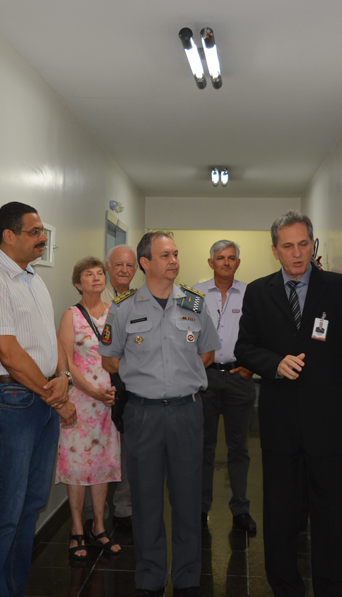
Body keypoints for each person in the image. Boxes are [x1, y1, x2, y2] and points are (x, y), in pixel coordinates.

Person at [235, 211, 342, 597]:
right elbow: (245, 348)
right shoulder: (258, 292)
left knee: (331, 518)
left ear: (313, 244)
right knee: (281, 516)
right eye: (288, 246)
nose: (297, 253)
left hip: (328, 424)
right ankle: (285, 586)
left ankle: (332, 589)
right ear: (275, 250)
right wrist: (274, 364)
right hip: (280, 425)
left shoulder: (339, 288)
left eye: (303, 244)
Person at [100, 231, 221, 597]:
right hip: (143, 414)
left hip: (187, 412)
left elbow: (207, 352)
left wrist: (180, 375)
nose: (174, 261)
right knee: (146, 499)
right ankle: (150, 576)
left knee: (188, 498)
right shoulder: (123, 307)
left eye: (176, 254)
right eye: (165, 255)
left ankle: (187, 577)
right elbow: (110, 359)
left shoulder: (195, 304)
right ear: (146, 263)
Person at [0, 202, 76, 597]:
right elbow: (9, 354)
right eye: (34, 232)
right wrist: (57, 399)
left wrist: (64, 376)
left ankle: (14, 587)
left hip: (41, 398)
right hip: (13, 401)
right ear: (8, 236)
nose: (42, 238)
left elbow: (52, 340)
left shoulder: (33, 278)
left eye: (42, 231)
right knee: (4, 509)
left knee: (31, 504)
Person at [56, 256, 122, 559]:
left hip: (107, 402)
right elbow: (66, 361)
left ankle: (99, 526)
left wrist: (112, 390)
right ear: (77, 283)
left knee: (102, 465)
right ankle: (77, 529)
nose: (96, 278)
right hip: (81, 402)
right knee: (77, 466)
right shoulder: (71, 315)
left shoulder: (114, 313)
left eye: (99, 273)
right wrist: (92, 391)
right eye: (88, 274)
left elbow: (121, 353)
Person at [192, 240, 257, 533]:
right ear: (211, 262)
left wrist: (252, 367)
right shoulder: (195, 294)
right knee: (203, 448)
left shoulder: (251, 294)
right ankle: (200, 508)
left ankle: (240, 510)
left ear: (238, 263)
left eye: (231, 258)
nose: (226, 263)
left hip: (238, 377)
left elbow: (262, 334)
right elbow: (184, 332)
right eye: (221, 258)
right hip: (204, 378)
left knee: (238, 449)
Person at [100, 244, 137, 525]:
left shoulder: (140, 299)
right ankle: (94, 513)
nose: (124, 270)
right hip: (99, 381)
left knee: (127, 448)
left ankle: (124, 507)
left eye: (129, 265)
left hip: (129, 382)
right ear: (108, 267)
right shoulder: (96, 296)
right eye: (119, 265)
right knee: (98, 445)